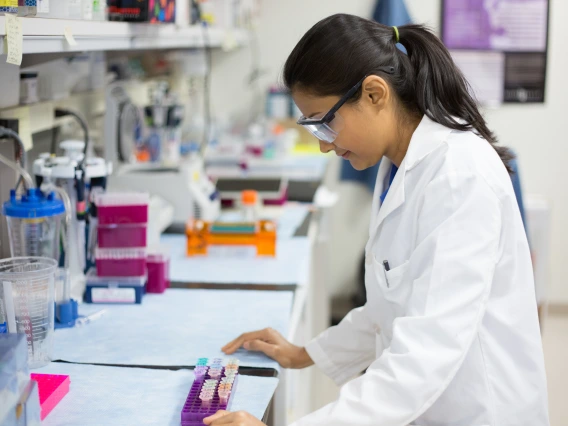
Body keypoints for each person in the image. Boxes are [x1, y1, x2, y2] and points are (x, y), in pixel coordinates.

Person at [204, 14, 550, 426]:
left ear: (374, 94)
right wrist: (305, 353)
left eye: (324, 122)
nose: (323, 146)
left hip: (482, 412)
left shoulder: (459, 176)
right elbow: (389, 308)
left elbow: (426, 351)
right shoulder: (397, 165)